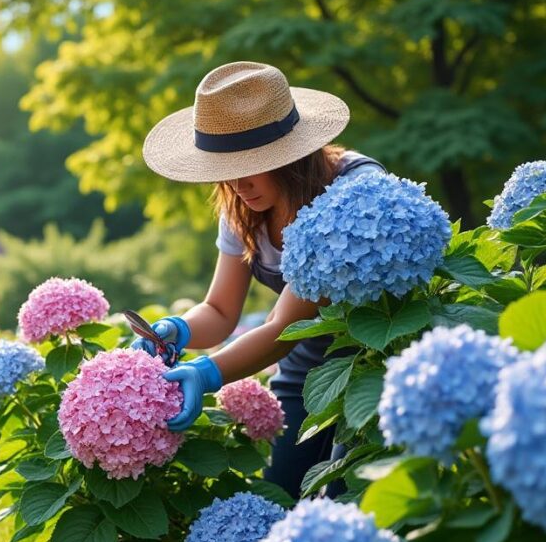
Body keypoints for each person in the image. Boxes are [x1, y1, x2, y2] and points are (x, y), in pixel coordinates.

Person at [131, 61, 385, 499]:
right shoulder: (241, 202)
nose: (235, 182)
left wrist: (206, 374)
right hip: (306, 367)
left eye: (248, 163)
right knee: (282, 496)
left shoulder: (352, 191)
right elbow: (221, 310)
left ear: (289, 155)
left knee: (345, 497)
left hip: (377, 359)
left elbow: (283, 328)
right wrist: (179, 330)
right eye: (224, 166)